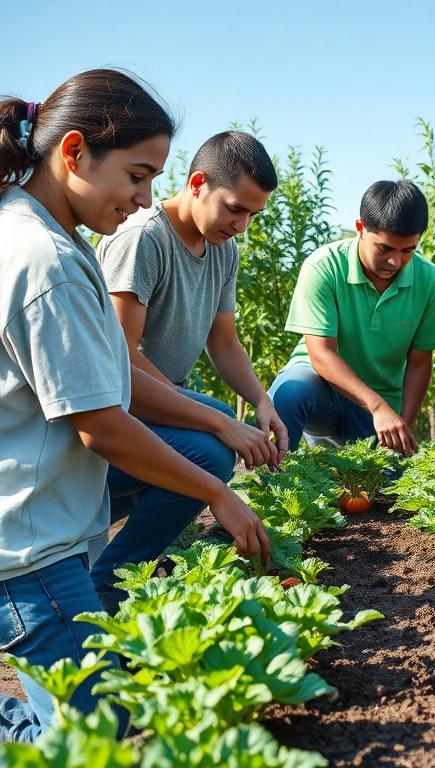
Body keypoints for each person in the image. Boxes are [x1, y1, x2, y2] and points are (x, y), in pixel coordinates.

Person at [0, 70, 268, 744]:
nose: (146, 198)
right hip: (30, 553)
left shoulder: (28, 228)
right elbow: (102, 428)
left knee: (90, 718)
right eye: (138, 174)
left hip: (35, 526)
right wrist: (219, 494)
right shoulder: (47, 260)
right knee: (96, 741)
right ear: (74, 153)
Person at [93, 131, 285, 609]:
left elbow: (224, 342)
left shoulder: (223, 248)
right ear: (198, 183)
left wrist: (262, 400)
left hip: (160, 403)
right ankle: (109, 581)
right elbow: (119, 363)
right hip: (116, 408)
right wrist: (217, 419)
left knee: (217, 425)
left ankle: (128, 545)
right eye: (235, 209)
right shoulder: (143, 239)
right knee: (213, 451)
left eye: (252, 216)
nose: (241, 225)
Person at [270, 180, 435, 455]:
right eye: (384, 248)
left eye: (407, 250)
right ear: (360, 228)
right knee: (290, 392)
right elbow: (321, 355)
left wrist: (403, 425)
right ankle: (271, 481)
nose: (395, 262)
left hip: (379, 412)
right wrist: (376, 406)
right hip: (323, 392)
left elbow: (420, 363)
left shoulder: (430, 280)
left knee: (381, 491)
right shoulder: (324, 266)